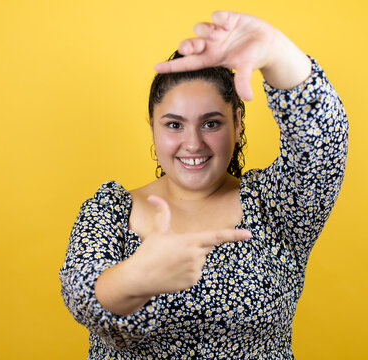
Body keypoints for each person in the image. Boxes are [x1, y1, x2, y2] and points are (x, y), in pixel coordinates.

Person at [59, 10, 348, 359]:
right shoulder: (111, 210)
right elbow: (81, 297)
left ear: (237, 123)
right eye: (174, 125)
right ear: (153, 126)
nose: (193, 143)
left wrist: (276, 52)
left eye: (211, 124)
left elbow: (323, 142)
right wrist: (138, 277)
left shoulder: (275, 205)